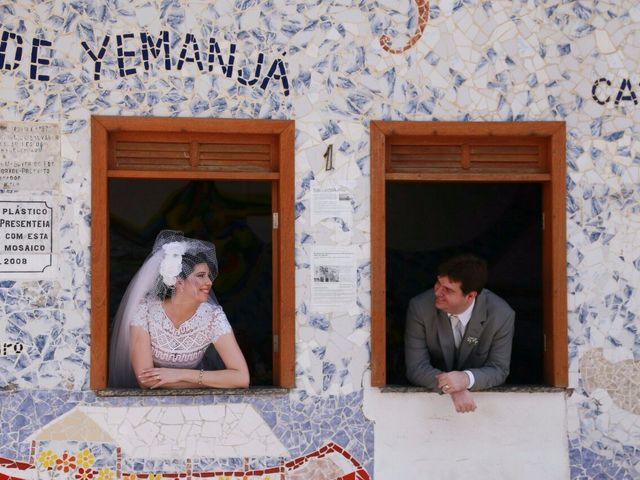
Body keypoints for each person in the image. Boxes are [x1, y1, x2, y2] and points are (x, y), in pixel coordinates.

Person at [109, 230, 250, 389]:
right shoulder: (145, 311)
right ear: (179, 282)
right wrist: (212, 382)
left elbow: (242, 378)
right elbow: (147, 381)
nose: (209, 282)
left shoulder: (213, 317)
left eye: (209, 276)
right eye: (201, 275)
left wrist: (181, 375)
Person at [404, 254, 514, 413]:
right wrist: (454, 388)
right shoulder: (419, 307)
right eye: (438, 283)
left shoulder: (502, 314)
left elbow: (499, 369)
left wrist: (466, 379)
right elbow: (416, 368)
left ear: (470, 296)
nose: (437, 292)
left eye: (447, 290)